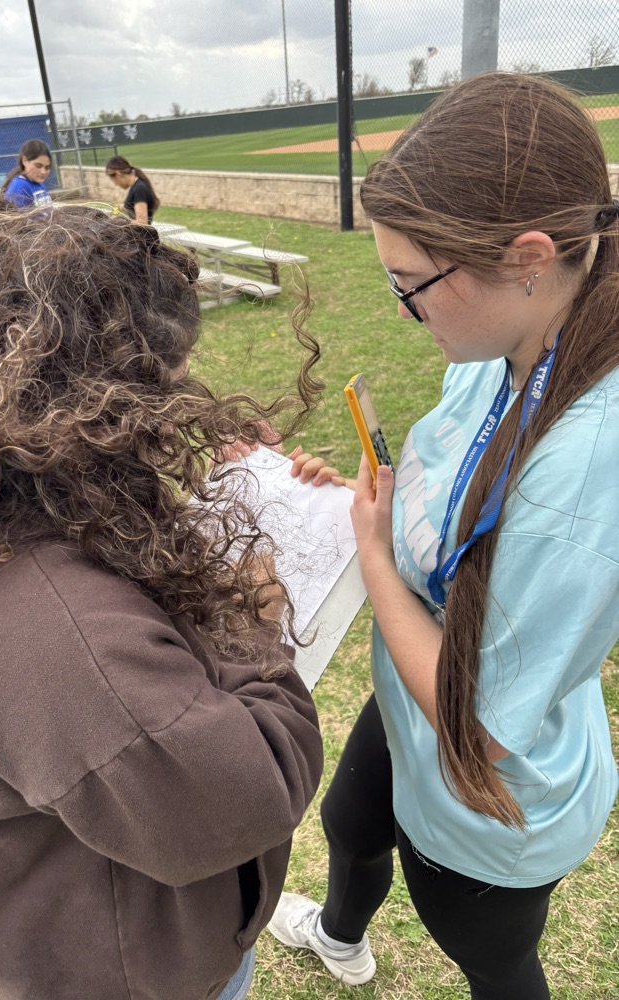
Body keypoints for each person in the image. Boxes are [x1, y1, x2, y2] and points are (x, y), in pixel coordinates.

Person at [0, 203, 324, 1000]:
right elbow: (246, 797)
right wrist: (252, 620)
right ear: (103, 397)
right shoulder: (61, 638)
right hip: (134, 972)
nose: (176, 407)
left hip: (55, 920)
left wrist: (203, 505)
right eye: (164, 386)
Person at [268, 72, 619, 999]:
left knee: (491, 955)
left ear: (530, 255)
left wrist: (375, 556)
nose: (399, 308)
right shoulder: (514, 337)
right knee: (350, 820)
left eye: (410, 283)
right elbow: (461, 505)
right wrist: (360, 498)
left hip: (487, 784)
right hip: (418, 680)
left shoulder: (588, 467)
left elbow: (481, 726)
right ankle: (342, 941)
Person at [0, 138, 53, 210]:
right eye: (38, 166)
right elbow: (16, 219)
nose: (43, 172)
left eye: (47, 167)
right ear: (25, 161)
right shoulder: (20, 186)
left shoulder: (38, 183)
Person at [106, 154, 160, 224]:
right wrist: (123, 206)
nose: (115, 184)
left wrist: (119, 222)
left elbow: (142, 223)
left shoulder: (139, 189)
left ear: (118, 173)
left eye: (114, 180)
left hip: (141, 234)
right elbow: (134, 205)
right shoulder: (137, 186)